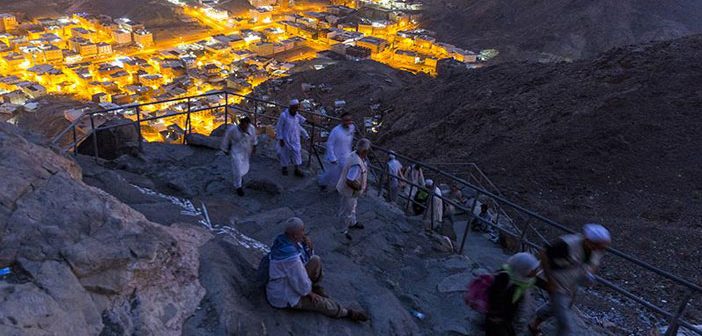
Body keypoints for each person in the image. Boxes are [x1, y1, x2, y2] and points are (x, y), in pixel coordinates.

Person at [266, 217, 369, 321]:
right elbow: (299, 279)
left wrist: (309, 247)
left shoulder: (284, 240)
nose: (304, 233)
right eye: (302, 231)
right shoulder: (290, 258)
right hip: (284, 295)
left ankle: (315, 286)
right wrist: (309, 293)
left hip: (290, 280)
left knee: (315, 260)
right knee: (320, 303)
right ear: (295, 235)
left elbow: (306, 259)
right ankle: (346, 312)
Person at [528, 223, 611, 336]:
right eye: (600, 246)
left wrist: (589, 274)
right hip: (554, 280)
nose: (601, 249)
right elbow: (544, 254)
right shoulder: (567, 244)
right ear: (588, 241)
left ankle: (534, 325)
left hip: (570, 283)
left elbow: (593, 263)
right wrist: (551, 282)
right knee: (566, 325)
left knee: (559, 306)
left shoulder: (597, 249)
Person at [486, 252, 541, 336]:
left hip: (507, 318)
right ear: (523, 268)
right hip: (497, 318)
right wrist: (495, 315)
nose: (536, 273)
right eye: (533, 270)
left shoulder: (523, 280)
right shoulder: (504, 278)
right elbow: (494, 297)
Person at [337, 138, 370, 240]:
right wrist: (359, 188)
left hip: (352, 193)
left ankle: (352, 222)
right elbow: (350, 180)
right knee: (346, 211)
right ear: (364, 151)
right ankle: (343, 230)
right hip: (349, 192)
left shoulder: (354, 155)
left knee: (352, 208)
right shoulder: (356, 164)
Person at [220, 116, 257, 196]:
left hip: (246, 151)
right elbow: (226, 139)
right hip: (236, 151)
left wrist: (254, 146)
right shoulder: (233, 130)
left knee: (244, 167)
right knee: (237, 168)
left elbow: (254, 138)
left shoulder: (251, 128)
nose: (245, 127)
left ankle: (240, 177)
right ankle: (238, 186)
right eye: (244, 125)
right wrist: (225, 149)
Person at [318, 112, 355, 191]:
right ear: (342, 121)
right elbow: (329, 144)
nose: (348, 122)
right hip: (335, 156)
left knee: (343, 172)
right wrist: (332, 158)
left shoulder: (352, 128)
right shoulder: (336, 131)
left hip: (346, 155)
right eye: (346, 120)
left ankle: (339, 187)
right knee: (331, 173)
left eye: (349, 120)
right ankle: (322, 183)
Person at [276, 99, 309, 177]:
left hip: (295, 138)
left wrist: (306, 135)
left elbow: (299, 125)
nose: (295, 110)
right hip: (286, 138)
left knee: (297, 153)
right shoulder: (284, 116)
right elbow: (279, 127)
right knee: (284, 153)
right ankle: (284, 168)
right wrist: (280, 138)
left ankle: (297, 169)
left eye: (296, 108)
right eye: (294, 108)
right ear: (290, 107)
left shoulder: (296, 115)